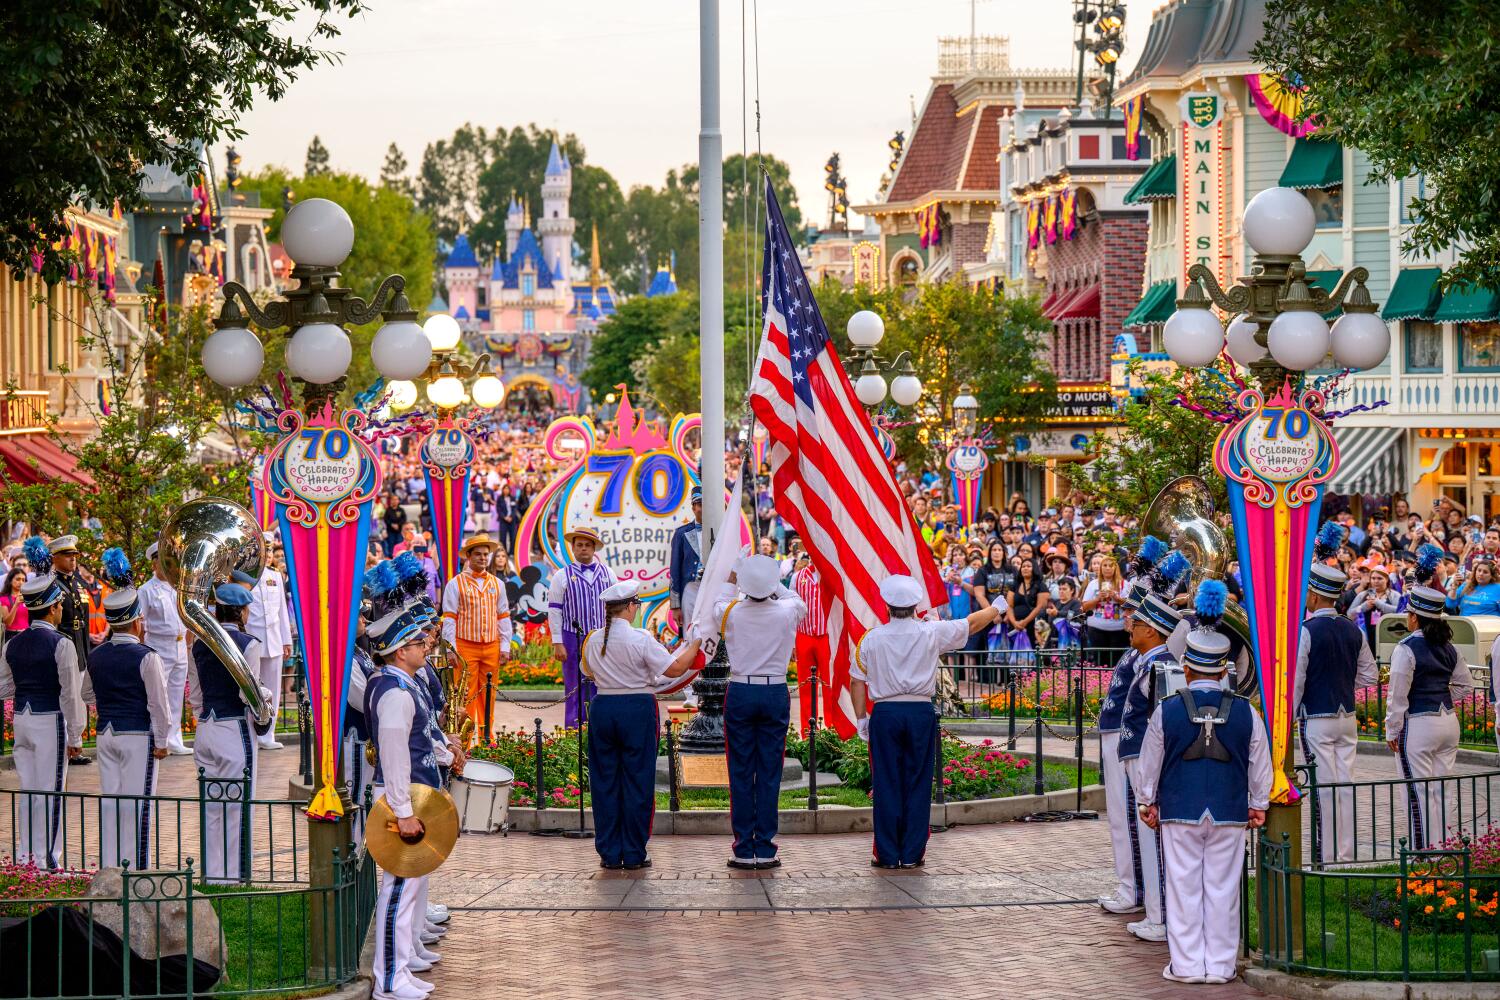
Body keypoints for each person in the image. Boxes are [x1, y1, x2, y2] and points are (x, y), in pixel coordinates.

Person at [1136, 630, 1272, 985]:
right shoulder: (1247, 712)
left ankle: (1187, 965)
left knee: (1182, 887)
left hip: (1180, 809)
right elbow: (1260, 763)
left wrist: (1146, 800)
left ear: (1186, 668)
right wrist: (1259, 803)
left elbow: (1149, 761)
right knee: (1223, 889)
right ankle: (1221, 967)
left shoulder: (1167, 710)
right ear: (1225, 670)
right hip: (1229, 812)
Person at [851, 575, 1001, 869]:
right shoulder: (930, 632)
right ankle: (912, 853)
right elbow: (970, 624)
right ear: (914, 605)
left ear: (887, 605)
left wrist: (860, 719)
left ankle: (887, 853)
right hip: (919, 711)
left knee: (886, 783)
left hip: (885, 712)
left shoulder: (871, 638)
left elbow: (857, 682)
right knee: (918, 782)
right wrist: (996, 608)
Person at [581, 581, 701, 870]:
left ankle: (609, 852)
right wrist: (695, 644)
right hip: (636, 708)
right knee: (637, 780)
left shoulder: (593, 639)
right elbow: (673, 669)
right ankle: (634, 851)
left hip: (604, 706)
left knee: (605, 782)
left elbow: (588, 671)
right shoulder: (641, 638)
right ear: (632, 606)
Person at [366, 607, 452, 1000]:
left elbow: (417, 741)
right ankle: (387, 978)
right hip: (402, 801)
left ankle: (399, 967)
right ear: (400, 650)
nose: (425, 645)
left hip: (412, 798)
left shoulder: (396, 683)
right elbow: (396, 755)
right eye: (418, 642)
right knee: (398, 892)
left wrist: (445, 753)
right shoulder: (395, 692)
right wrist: (403, 813)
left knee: (408, 890)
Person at [715, 554, 807, 869]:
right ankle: (765, 846)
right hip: (774, 690)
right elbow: (794, 597)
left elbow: (719, 602)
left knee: (740, 771)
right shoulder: (786, 612)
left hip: (740, 689)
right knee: (769, 772)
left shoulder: (732, 613)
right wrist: (774, 582)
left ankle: (743, 846)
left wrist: (733, 574)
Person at [0, 569, 90, 867]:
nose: (61, 608)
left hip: (23, 717)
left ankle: (27, 855)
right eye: (59, 604)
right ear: (52, 608)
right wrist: (76, 735)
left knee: (29, 789)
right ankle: (47, 859)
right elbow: (70, 694)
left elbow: (5, 687)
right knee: (51, 791)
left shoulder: (12, 644)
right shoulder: (61, 643)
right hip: (49, 718)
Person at [88, 568, 172, 871]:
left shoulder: (96, 655)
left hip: (106, 732)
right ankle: (135, 869)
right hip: (137, 733)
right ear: (136, 621)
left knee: (111, 801)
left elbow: (87, 694)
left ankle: (111, 867)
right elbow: (158, 704)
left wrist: (108, 701)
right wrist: (162, 740)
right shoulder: (146, 656)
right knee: (137, 804)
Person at [1296, 562, 1378, 865]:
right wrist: (1342, 683)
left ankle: (1327, 855)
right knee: (1345, 785)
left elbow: (1297, 680)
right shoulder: (1352, 629)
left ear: (1315, 596)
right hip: (1346, 717)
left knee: (1323, 788)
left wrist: (1288, 717)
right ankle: (1347, 852)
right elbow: (1369, 676)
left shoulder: (1306, 631)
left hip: (1316, 717)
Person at [1383, 586, 1476, 848]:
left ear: (1414, 617)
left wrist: (1392, 729)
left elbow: (1397, 695)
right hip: (1448, 721)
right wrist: (1441, 696)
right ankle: (1444, 847)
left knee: (1419, 791)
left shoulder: (1406, 647)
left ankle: (1423, 854)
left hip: (1419, 724)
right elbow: (1465, 686)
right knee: (1441, 788)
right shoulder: (1449, 647)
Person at [190, 580, 268, 884]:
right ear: (242, 613)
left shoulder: (199, 642)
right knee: (237, 806)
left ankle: (212, 874)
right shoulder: (249, 644)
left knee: (212, 805)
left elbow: (195, 694)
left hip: (206, 725)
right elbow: (248, 694)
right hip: (234, 726)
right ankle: (234, 877)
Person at [1116, 591, 1184, 943]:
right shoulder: (1150, 661)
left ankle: (1161, 917)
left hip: (1146, 757)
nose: (1132, 627)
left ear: (1154, 631)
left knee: (1153, 839)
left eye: (1139, 623)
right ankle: (1157, 913)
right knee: (1147, 838)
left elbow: (1164, 722)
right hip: (1137, 755)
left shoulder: (1161, 665)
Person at [439, 534, 512, 741]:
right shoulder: (455, 584)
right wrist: (452, 649)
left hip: (491, 645)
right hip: (464, 647)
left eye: (485, 554)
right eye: (478, 554)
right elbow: (449, 618)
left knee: (489, 693)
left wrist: (505, 646)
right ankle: (465, 742)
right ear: (468, 557)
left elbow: (503, 616)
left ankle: (487, 738)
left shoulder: (498, 584)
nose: (482, 558)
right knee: (465, 696)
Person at [546, 527, 618, 729]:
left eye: (587, 545)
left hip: (602, 636)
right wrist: (558, 642)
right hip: (572, 637)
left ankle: (599, 727)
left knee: (602, 683)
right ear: (573, 548)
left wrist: (615, 636)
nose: (583, 549)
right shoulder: (562, 576)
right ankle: (573, 729)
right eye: (579, 545)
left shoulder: (608, 574)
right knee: (574, 684)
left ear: (594, 548)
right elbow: (554, 610)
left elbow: (616, 606)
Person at [138, 542, 192, 754]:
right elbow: (141, 625)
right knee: (158, 694)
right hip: (158, 645)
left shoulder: (178, 587)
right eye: (163, 562)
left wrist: (187, 644)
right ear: (154, 565)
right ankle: (159, 737)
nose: (169, 565)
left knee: (177, 694)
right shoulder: (146, 590)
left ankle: (175, 738)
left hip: (179, 645)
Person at [247, 547, 294, 751]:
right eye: (263, 552)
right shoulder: (246, 576)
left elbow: (282, 612)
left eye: (269, 552)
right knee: (252, 688)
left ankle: (269, 733)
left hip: (274, 640)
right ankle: (252, 732)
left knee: (273, 689)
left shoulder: (276, 576)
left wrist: (286, 641)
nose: (267, 556)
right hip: (253, 639)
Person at [792, 558, 843, 737]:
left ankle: (832, 728)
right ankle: (807, 731)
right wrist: (792, 640)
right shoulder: (797, 577)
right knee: (805, 684)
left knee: (830, 684)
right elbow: (792, 610)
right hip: (804, 634)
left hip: (827, 636)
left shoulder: (832, 575)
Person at [668, 487, 704, 630]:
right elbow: (674, 570)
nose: (705, 509)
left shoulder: (721, 530)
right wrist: (675, 606)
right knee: (690, 631)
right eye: (701, 505)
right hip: (690, 590)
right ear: (694, 507)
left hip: (714, 590)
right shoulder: (682, 534)